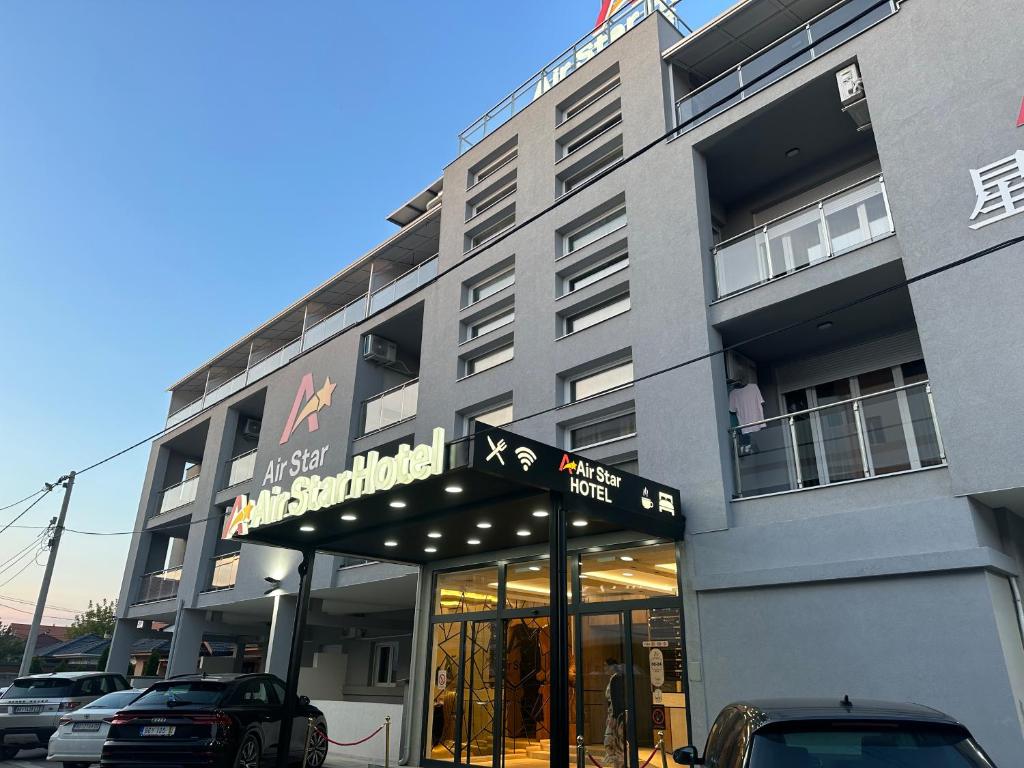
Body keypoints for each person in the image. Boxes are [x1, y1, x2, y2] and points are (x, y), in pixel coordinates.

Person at [603, 658, 626, 768]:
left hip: (616, 715)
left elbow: (617, 699)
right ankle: (618, 764)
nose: (605, 669)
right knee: (616, 740)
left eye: (606, 666)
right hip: (615, 714)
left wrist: (614, 717)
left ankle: (620, 763)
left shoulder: (616, 678)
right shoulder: (616, 678)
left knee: (612, 740)